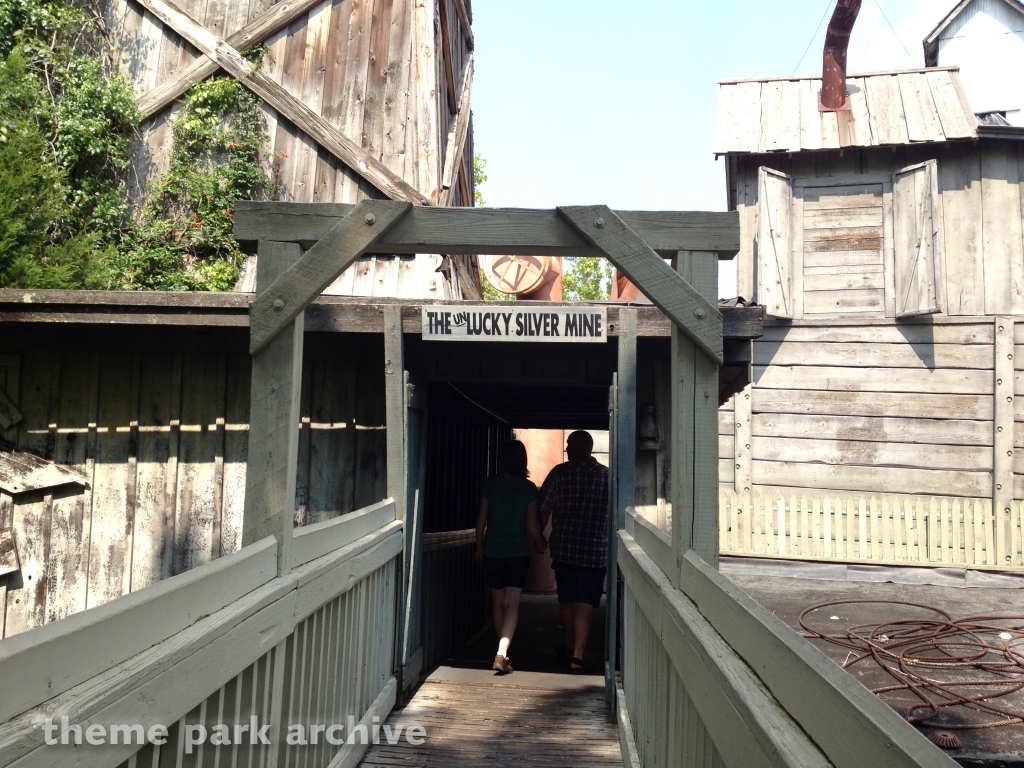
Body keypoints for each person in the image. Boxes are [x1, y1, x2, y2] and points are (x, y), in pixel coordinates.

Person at [538, 430, 609, 674]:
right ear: (589, 449)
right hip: (595, 550)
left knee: (567, 599)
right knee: (587, 601)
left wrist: (539, 537)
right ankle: (578, 655)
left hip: (565, 548)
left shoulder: (559, 473)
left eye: (568, 445)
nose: (566, 448)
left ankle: (569, 645)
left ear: (574, 447)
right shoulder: (605, 476)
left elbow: (544, 508)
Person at [475, 440, 545, 675]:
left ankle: (501, 650)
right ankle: (502, 653)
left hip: (493, 550)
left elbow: (481, 521)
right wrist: (540, 542)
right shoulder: (528, 488)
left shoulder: (489, 484)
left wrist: (478, 547)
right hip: (517, 552)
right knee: (513, 603)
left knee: (497, 601)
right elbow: (533, 524)